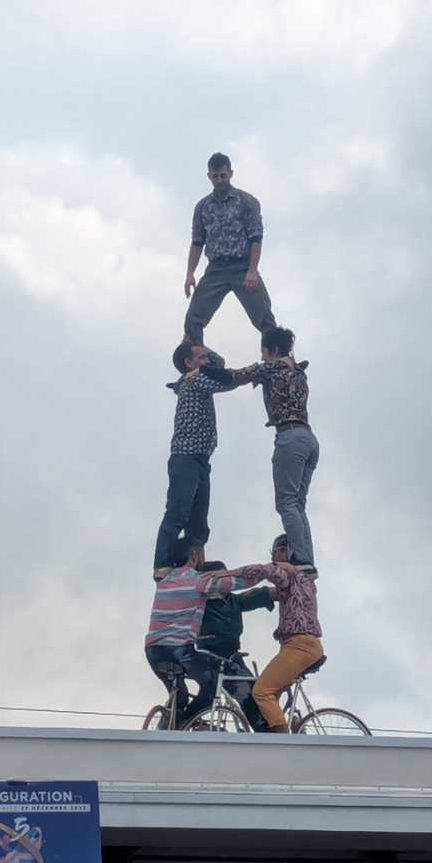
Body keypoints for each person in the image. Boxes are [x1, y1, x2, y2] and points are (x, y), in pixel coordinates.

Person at [212, 534, 324, 733]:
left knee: (262, 692)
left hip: (299, 645)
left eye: (274, 552)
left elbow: (263, 570)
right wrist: (257, 592)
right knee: (272, 695)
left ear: (284, 551)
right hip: (301, 645)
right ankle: (294, 729)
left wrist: (227, 574)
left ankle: (283, 743)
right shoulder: (303, 579)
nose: (273, 557)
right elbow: (278, 592)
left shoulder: (288, 571)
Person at [233, 326, 319, 572]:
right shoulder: (299, 371)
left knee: (286, 503)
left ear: (273, 350)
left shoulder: (271, 368)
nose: (262, 357)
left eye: (264, 351)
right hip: (308, 438)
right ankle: (306, 560)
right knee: (297, 504)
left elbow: (237, 376)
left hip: (289, 436)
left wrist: (203, 372)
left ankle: (300, 559)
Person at [153, 340, 240, 578]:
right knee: (179, 513)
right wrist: (258, 371)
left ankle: (195, 565)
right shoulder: (194, 381)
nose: (207, 361)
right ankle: (162, 565)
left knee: (199, 521)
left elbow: (218, 363)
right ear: (188, 363)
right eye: (200, 357)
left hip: (200, 459)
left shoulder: (198, 375)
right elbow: (228, 378)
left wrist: (197, 341)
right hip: (186, 457)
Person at [145, 538, 247, 726]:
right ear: (194, 555)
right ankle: (186, 721)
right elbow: (238, 583)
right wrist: (268, 572)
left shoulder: (164, 580)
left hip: (153, 651)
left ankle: (167, 729)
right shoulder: (198, 580)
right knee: (212, 683)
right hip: (180, 650)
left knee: (179, 695)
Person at [183, 152, 276, 345]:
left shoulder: (246, 201)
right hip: (216, 269)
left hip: (242, 267)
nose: (219, 180)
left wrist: (252, 270)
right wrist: (190, 274)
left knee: (264, 315)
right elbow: (197, 242)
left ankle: (279, 359)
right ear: (209, 176)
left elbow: (256, 238)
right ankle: (195, 364)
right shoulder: (202, 207)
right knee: (193, 318)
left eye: (222, 176)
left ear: (230, 174)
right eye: (215, 176)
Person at [198, 560, 276, 731]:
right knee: (232, 690)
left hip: (232, 655)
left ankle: (270, 728)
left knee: (255, 690)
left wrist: (275, 591)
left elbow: (261, 597)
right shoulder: (200, 602)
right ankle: (183, 721)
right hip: (208, 654)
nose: (227, 583)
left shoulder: (234, 600)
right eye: (222, 578)